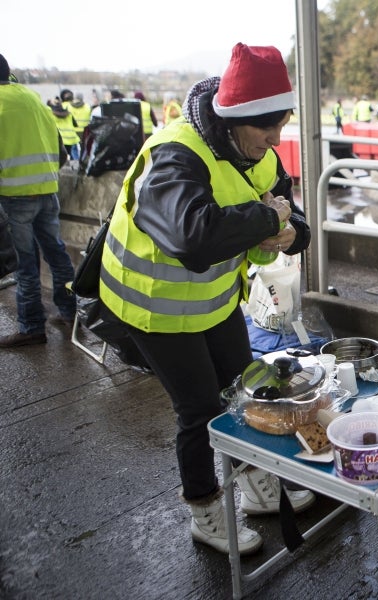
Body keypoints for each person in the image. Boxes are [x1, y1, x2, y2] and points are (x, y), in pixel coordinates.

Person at [97, 43, 315, 555]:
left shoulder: (258, 152)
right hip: (152, 306)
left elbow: (290, 209)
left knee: (245, 388)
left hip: (214, 300)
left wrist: (292, 233)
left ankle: (252, 479)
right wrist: (268, 220)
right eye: (268, 129)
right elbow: (192, 239)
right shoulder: (175, 154)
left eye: (281, 126)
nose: (276, 140)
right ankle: (204, 509)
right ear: (235, 119)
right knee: (198, 410)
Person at [0, 53, 77, 347]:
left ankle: (32, 326)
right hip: (47, 189)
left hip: (14, 196)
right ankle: (71, 311)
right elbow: (60, 149)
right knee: (58, 255)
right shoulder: (32, 97)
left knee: (25, 264)